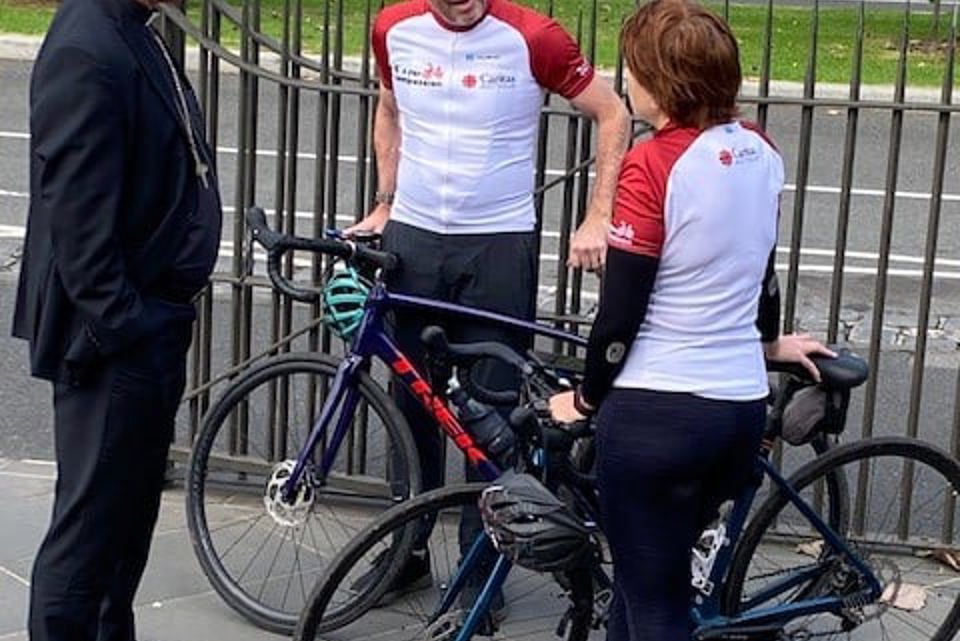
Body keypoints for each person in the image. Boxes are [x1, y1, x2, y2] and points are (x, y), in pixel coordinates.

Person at [547, 2, 834, 640]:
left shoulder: (653, 165)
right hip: (734, 411)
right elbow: (760, 271)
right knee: (642, 584)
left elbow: (620, 315)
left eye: (635, 71)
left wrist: (587, 399)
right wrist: (768, 342)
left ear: (663, 83)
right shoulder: (759, 149)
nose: (628, 83)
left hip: (657, 415)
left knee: (655, 605)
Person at [346, 0, 630, 614]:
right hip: (415, 239)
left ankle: (483, 568)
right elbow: (389, 109)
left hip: (497, 242)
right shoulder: (394, 28)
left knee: (495, 415)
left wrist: (600, 213)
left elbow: (612, 112)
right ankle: (406, 553)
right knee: (411, 404)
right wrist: (385, 200)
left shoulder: (533, 35)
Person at [12, 0, 222, 637]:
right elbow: (78, 220)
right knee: (86, 542)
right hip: (114, 341)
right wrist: (128, 325)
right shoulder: (88, 46)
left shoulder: (129, 26)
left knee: (123, 529)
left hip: (149, 323)